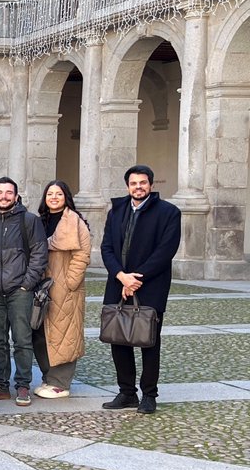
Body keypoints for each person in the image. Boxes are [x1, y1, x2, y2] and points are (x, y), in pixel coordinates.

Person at [100, 164, 181, 415]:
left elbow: (166, 251)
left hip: (151, 285)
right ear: (128, 186)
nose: (138, 187)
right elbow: (106, 248)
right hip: (118, 283)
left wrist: (136, 280)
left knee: (149, 341)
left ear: (151, 185)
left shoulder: (169, 212)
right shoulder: (116, 210)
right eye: (134, 183)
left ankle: (148, 395)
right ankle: (126, 393)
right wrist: (122, 277)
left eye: (143, 183)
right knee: (118, 339)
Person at [0, 177, 48, 407]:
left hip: (20, 290)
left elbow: (39, 255)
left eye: (8, 193)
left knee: (22, 340)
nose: (4, 196)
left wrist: (27, 284)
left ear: (16, 196)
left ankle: (23, 385)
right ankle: (1, 385)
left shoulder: (29, 221)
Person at [33, 180, 92, 400]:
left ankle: (60, 383)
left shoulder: (75, 222)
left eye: (59, 194)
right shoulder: (40, 221)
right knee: (40, 332)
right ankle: (49, 377)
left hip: (65, 288)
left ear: (66, 197)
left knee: (64, 333)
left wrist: (70, 282)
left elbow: (82, 254)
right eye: (50, 194)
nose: (54, 197)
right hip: (42, 287)